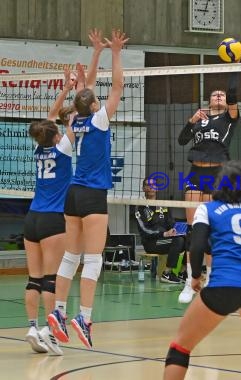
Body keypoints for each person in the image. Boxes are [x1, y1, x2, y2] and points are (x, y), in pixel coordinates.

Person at [163, 161, 241, 380]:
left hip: (222, 285)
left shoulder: (207, 209)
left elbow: (197, 245)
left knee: (181, 346)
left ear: (220, 184)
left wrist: (196, 277)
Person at [48, 29, 128, 350]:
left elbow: (83, 92)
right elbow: (118, 86)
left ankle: (58, 311)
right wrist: (116, 53)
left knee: (71, 256)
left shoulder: (75, 122)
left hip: (73, 195)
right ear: (95, 105)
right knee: (93, 260)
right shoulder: (98, 120)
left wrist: (94, 57)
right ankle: (84, 317)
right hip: (93, 196)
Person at [23, 68, 77, 356]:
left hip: (32, 218)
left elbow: (51, 116)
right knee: (50, 280)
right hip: (54, 220)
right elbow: (73, 118)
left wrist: (66, 88)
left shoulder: (39, 149)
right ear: (57, 136)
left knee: (33, 278)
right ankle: (50, 333)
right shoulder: (63, 150)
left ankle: (32, 327)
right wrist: (79, 88)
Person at [177, 69, 241, 303]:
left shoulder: (229, 119)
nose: (218, 97)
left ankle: (213, 279)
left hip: (217, 174)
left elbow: (233, 94)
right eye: (214, 95)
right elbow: (182, 141)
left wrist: (235, 67)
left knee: (211, 229)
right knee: (193, 229)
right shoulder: (200, 120)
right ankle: (190, 281)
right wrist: (190, 121)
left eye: (221, 95)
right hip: (196, 172)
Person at [135, 177, 188, 284]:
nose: (150, 187)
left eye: (153, 185)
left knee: (189, 239)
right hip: (151, 243)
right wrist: (164, 233)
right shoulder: (140, 208)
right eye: (147, 185)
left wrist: (178, 230)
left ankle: (183, 272)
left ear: (157, 188)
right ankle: (167, 273)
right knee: (178, 241)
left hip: (165, 239)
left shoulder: (162, 205)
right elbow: (144, 230)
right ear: (143, 188)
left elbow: (171, 223)